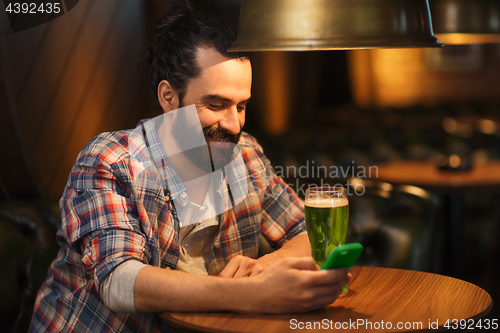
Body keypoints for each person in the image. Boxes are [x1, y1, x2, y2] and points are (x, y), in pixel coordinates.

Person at [29, 1, 350, 332]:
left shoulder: (246, 156)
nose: (234, 124)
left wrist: (266, 267)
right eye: (215, 104)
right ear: (169, 97)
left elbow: (311, 234)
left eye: (241, 106)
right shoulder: (112, 159)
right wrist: (248, 294)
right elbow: (118, 280)